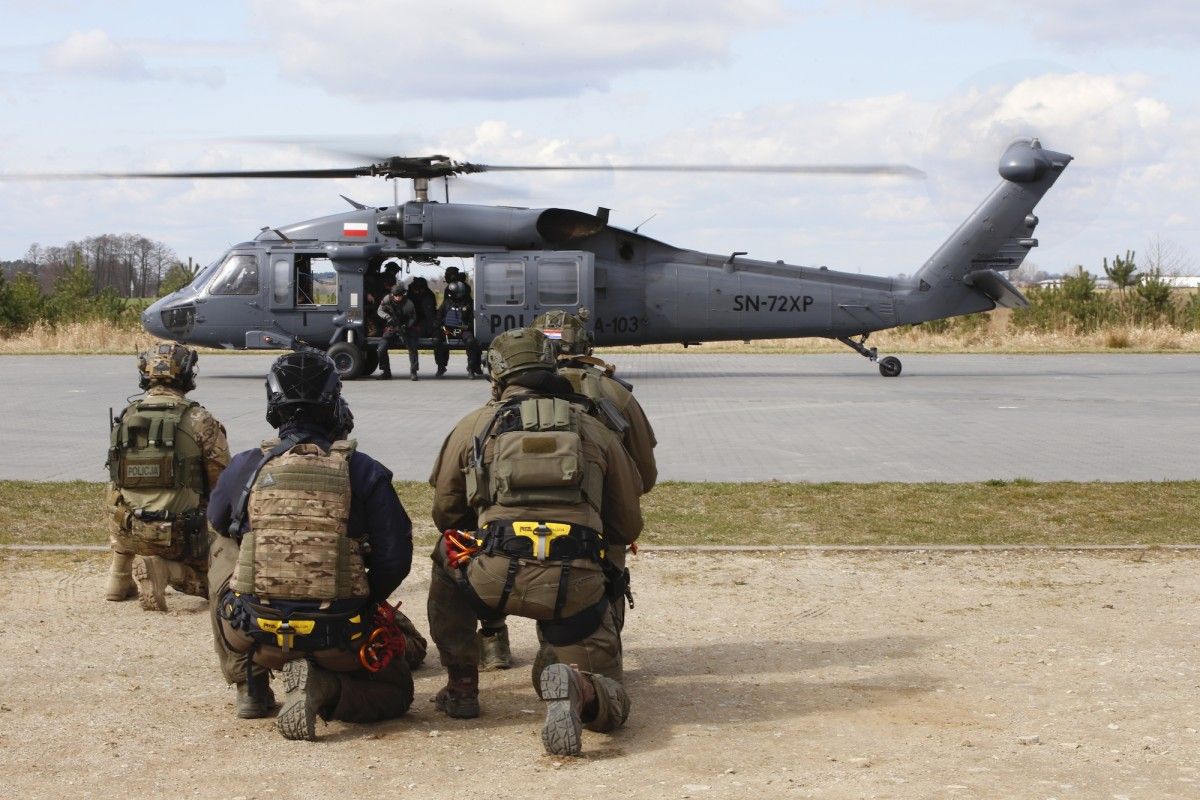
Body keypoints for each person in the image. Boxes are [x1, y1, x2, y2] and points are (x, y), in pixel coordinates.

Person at [427, 328, 644, 756]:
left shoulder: (474, 426)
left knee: (445, 552)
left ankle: (463, 684)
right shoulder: (595, 431)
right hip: (574, 590)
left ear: (497, 374)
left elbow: (446, 514)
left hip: (491, 579)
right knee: (612, 706)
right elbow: (626, 526)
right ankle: (578, 688)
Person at [205, 351, 426, 733]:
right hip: (339, 637)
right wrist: (364, 599)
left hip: (254, 631)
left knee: (222, 545)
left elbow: (216, 520)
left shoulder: (245, 465)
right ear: (335, 403)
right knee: (396, 692)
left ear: (273, 406)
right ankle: (324, 687)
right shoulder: (364, 470)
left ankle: (250, 684)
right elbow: (395, 557)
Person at [105, 343, 229, 612]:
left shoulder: (127, 416)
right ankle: (167, 571)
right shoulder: (200, 419)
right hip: (180, 537)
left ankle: (118, 578)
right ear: (186, 376)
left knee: (117, 490)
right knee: (225, 585)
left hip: (127, 531)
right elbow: (221, 485)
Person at [439, 279, 483, 379]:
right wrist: (441, 327)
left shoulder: (469, 303)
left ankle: (471, 368)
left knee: (471, 342)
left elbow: (474, 320)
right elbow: (439, 316)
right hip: (448, 330)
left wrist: (468, 327)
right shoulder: (446, 303)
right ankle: (441, 367)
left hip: (463, 330)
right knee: (437, 341)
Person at [406, 276, 447, 378]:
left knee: (438, 341)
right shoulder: (412, 295)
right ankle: (414, 370)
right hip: (419, 324)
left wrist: (434, 326)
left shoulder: (428, 296)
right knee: (412, 341)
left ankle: (441, 366)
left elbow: (430, 315)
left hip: (430, 324)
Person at [376, 283, 415, 380]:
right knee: (381, 349)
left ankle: (413, 372)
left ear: (403, 295)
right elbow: (379, 310)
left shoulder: (408, 303)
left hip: (404, 328)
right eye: (395, 295)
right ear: (392, 294)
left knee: (412, 348)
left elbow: (413, 317)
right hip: (391, 327)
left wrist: (407, 325)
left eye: (399, 295)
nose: (397, 297)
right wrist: (387, 317)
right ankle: (386, 372)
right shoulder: (387, 299)